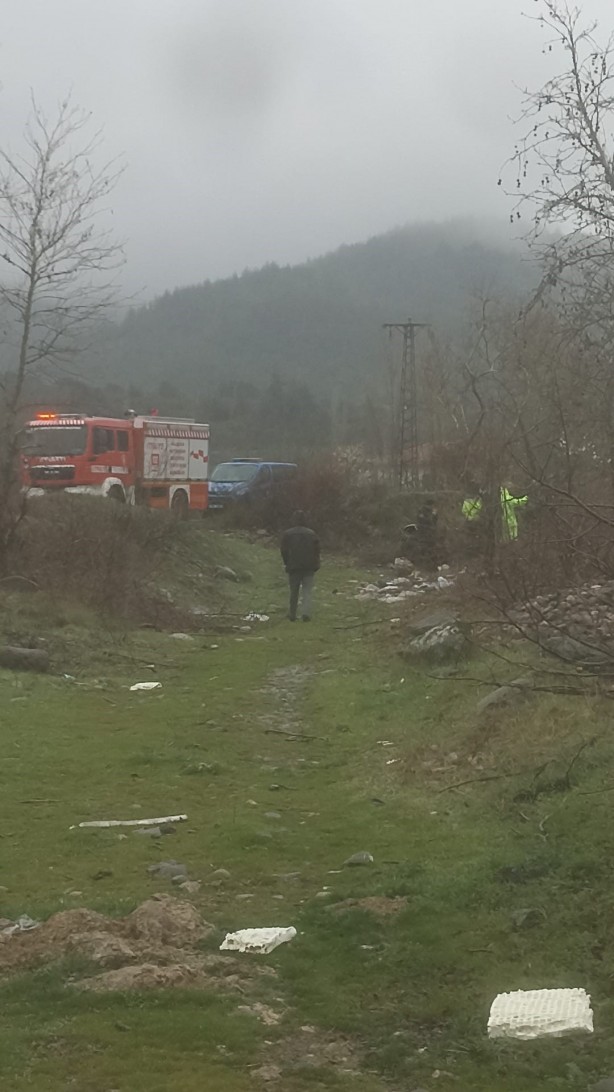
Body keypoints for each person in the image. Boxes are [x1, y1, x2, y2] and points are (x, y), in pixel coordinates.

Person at [280, 511, 320, 621]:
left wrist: (287, 562)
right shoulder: (312, 534)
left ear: (294, 520)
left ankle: (292, 614)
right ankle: (306, 614)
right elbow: (317, 551)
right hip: (309, 566)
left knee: (294, 591)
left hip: (294, 566)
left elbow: (283, 550)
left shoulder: (287, 534)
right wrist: (316, 564)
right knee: (307, 591)